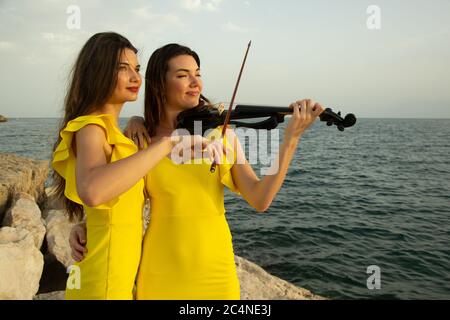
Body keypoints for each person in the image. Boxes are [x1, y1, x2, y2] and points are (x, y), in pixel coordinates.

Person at [70, 43, 324, 299]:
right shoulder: (140, 138)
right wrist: (87, 224)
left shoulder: (221, 135)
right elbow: (120, 195)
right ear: (160, 83)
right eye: (182, 75)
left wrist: (291, 139)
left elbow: (260, 199)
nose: (195, 82)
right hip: (159, 270)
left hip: (216, 270)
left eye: (198, 74)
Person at [52, 34, 213, 299]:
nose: (136, 78)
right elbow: (92, 190)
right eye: (122, 69)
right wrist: (167, 144)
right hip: (101, 286)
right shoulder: (92, 127)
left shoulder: (116, 133)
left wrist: (87, 224)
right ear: (97, 72)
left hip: (115, 281)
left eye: (137, 69)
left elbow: (110, 201)